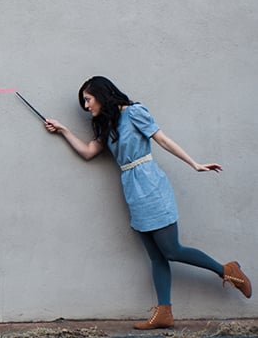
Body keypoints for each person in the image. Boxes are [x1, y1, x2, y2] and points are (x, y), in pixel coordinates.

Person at [43, 76, 250, 330]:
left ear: (101, 94)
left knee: (172, 249)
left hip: (151, 185)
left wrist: (194, 163)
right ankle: (164, 313)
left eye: (88, 100)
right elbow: (88, 152)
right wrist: (63, 129)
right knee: (156, 256)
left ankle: (227, 270)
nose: (86, 106)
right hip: (132, 189)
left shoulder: (134, 112)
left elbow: (162, 139)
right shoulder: (106, 124)